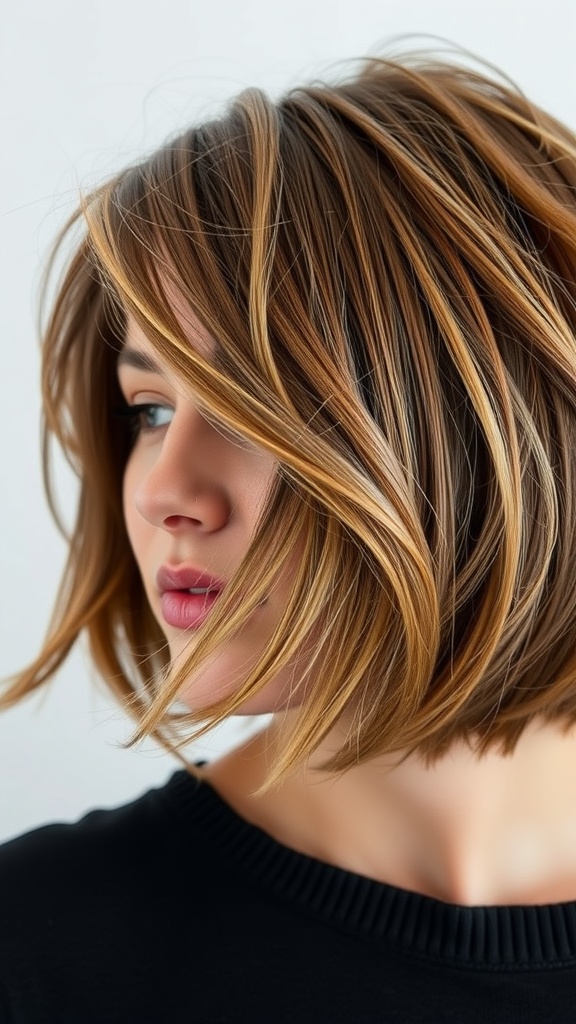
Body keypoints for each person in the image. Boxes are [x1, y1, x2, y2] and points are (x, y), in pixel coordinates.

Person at [2, 47, 576, 1023]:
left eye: (252, 408)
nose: (164, 491)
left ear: (490, 432)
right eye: (150, 410)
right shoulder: (37, 954)